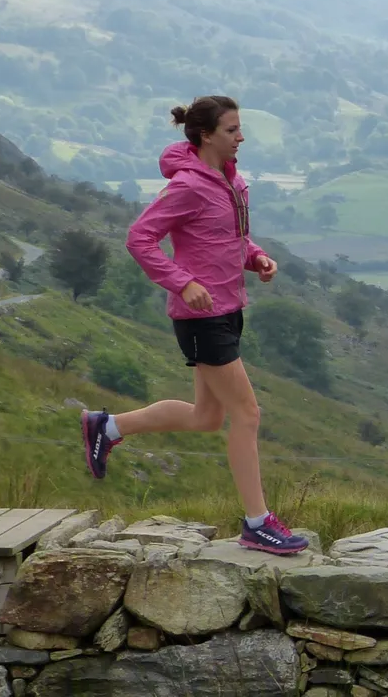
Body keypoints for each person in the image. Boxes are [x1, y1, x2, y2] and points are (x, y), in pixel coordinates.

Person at [80, 96, 309, 555]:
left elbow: (228, 237)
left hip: (227, 308)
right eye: (232, 130)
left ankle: (107, 427)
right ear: (207, 135)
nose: (241, 137)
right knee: (247, 414)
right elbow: (139, 238)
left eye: (240, 128)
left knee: (208, 418)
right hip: (201, 316)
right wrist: (182, 283)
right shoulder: (187, 185)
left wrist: (255, 257)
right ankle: (257, 522)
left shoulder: (230, 179)